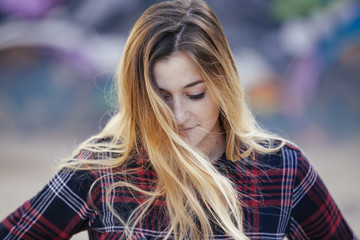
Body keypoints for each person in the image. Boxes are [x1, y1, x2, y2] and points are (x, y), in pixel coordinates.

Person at [0, 0, 357, 239]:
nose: (178, 116)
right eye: (160, 97)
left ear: (224, 86)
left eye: (195, 93)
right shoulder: (103, 169)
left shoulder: (283, 169)